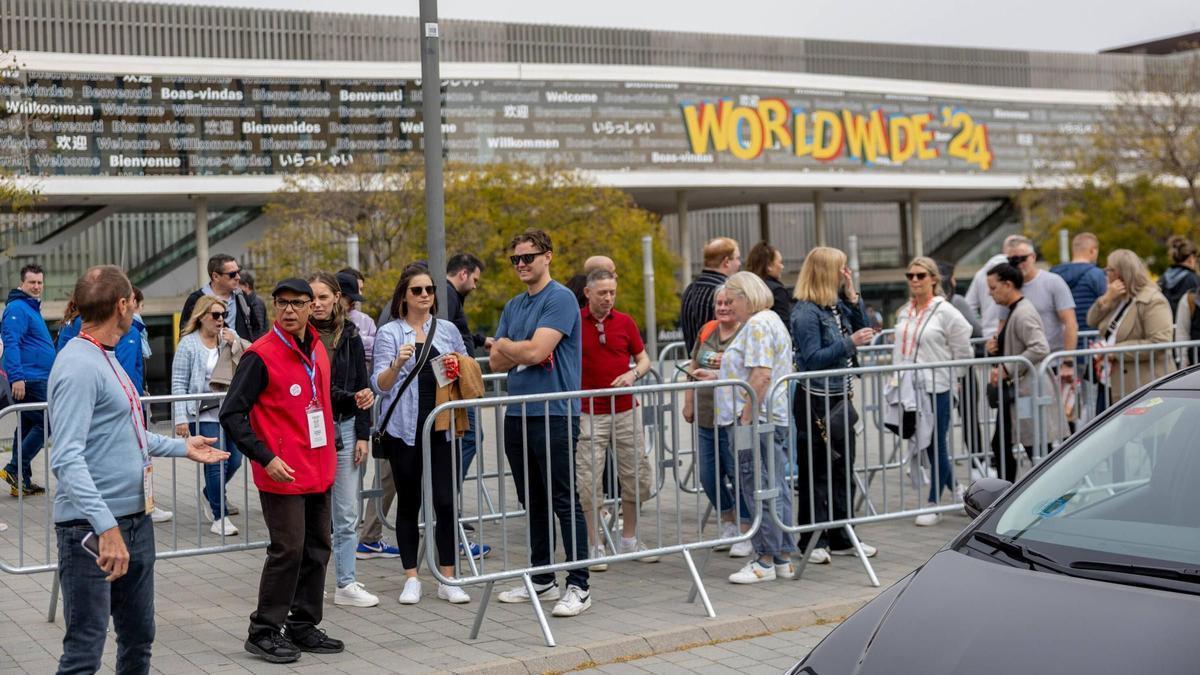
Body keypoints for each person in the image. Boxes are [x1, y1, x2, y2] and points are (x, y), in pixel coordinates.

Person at [50, 265, 227, 674]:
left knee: (138, 638)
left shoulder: (105, 355)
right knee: (84, 652)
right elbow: (66, 458)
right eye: (132, 300)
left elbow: (125, 434)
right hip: (92, 531)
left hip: (132, 521)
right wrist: (106, 527)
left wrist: (182, 447)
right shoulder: (78, 364)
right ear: (122, 305)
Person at [220, 278, 344, 664]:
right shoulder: (260, 355)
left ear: (312, 307)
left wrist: (353, 402)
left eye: (297, 303)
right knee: (287, 550)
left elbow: (319, 401)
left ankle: (303, 624)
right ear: (275, 307)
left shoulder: (319, 348)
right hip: (282, 471)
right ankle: (263, 631)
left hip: (319, 467)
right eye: (282, 303)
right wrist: (265, 457)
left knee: (318, 549)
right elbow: (231, 414)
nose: (289, 310)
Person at [488, 229, 592, 617]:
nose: (521, 264)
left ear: (547, 256)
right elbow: (498, 361)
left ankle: (579, 584)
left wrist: (511, 346)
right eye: (515, 259)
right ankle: (541, 576)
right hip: (517, 413)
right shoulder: (514, 304)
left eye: (528, 257)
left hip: (554, 413)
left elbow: (533, 351)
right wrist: (517, 350)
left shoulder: (561, 298)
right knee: (531, 501)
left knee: (564, 501)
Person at [373, 265, 471, 605]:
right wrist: (397, 365)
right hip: (404, 429)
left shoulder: (446, 330)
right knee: (409, 502)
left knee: (445, 502)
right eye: (417, 290)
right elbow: (380, 387)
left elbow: (466, 366)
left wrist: (459, 366)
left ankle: (447, 577)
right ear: (404, 295)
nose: (425, 295)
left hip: (441, 423)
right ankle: (411, 577)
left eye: (429, 289)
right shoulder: (389, 333)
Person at [695, 272, 796, 583]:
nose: (729, 306)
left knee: (758, 486)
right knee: (774, 484)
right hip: (767, 416)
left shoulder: (757, 325)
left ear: (745, 297)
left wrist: (746, 418)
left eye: (732, 299)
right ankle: (781, 556)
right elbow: (754, 371)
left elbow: (761, 375)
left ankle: (764, 557)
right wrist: (718, 377)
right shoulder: (770, 321)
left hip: (755, 419)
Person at [790, 247, 877, 564]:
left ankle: (843, 534)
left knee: (843, 466)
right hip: (814, 399)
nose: (844, 275)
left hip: (840, 396)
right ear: (827, 272)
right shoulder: (805, 313)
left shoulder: (836, 305)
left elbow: (863, 325)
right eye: (840, 270)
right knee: (816, 471)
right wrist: (849, 343)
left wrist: (853, 297)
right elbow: (812, 360)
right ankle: (814, 539)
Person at [306, 272, 380, 609]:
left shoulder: (349, 333)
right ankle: (310, 582)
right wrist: (353, 398)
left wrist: (363, 433)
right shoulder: (299, 337)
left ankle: (346, 582)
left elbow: (363, 386)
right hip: (309, 430)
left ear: (337, 297)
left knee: (348, 511)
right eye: (312, 298)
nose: (317, 304)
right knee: (312, 513)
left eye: (323, 297)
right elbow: (320, 392)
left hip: (347, 428)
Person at [575, 269, 656, 568]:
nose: (608, 298)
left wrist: (633, 373)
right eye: (602, 293)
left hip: (625, 408)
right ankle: (595, 546)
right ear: (588, 293)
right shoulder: (574, 322)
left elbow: (644, 358)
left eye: (612, 292)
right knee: (588, 478)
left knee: (635, 472)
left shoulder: (625, 322)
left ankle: (629, 540)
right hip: (588, 411)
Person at [892, 258, 973, 526]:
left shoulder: (944, 310)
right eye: (910, 275)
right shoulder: (904, 311)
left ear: (933, 279)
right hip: (909, 387)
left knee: (935, 441)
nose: (914, 280)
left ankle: (933, 501)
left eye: (920, 275)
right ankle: (958, 491)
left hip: (937, 385)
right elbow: (899, 349)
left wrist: (955, 375)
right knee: (922, 441)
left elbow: (963, 343)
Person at [682, 288, 752, 558]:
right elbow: (692, 365)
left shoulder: (745, 331)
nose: (722, 307)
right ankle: (728, 522)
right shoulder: (708, 330)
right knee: (708, 474)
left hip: (733, 414)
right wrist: (688, 401)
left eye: (728, 302)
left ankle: (746, 527)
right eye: (719, 303)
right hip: (705, 412)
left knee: (737, 472)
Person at [171, 295, 247, 536]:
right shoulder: (189, 344)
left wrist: (235, 342)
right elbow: (179, 381)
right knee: (215, 464)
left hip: (229, 410)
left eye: (223, 315)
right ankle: (219, 515)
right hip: (202, 413)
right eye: (215, 315)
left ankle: (208, 494)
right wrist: (181, 417)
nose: (220, 320)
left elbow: (250, 356)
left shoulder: (228, 339)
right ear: (202, 316)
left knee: (235, 459)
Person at [985, 263, 1062, 480]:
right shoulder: (1016, 311)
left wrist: (1007, 368)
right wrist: (995, 351)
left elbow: (1039, 347)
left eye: (993, 288)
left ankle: (1049, 495)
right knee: (1007, 444)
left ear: (1008, 285)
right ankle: (1006, 496)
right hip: (1019, 393)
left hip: (1027, 393)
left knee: (1035, 448)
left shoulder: (1023, 312)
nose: (990, 294)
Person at [1088, 250, 1175, 404]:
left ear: (1121, 273)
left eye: (1109, 269)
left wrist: (1115, 350)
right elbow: (1091, 320)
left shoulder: (1153, 300)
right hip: (1110, 381)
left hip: (1141, 385)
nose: (1106, 273)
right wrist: (1106, 298)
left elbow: (1160, 342)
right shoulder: (1117, 297)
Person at [1, 262, 54, 496]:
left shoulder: (30, 308)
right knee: (48, 421)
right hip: (30, 378)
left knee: (27, 426)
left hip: (37, 376)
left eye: (39, 282)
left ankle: (20, 481)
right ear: (21, 283)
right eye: (32, 282)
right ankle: (14, 468)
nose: (36, 286)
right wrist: (17, 377)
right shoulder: (18, 308)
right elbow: (11, 343)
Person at [680, 237, 741, 353]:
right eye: (737, 258)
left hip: (695, 363)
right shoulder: (725, 292)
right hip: (718, 364)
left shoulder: (689, 289)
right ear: (726, 262)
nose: (739, 263)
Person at [181, 254, 261, 342]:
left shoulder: (241, 297)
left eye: (238, 272)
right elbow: (185, 333)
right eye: (232, 274)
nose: (238, 277)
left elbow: (256, 329)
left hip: (241, 354)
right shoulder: (196, 300)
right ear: (215, 276)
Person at [1049, 232, 1107, 350]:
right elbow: (1106, 306)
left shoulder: (1053, 274)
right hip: (1089, 343)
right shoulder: (1096, 275)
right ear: (1093, 251)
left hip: (1060, 346)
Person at [965, 234, 1026, 339]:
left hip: (989, 335)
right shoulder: (1017, 273)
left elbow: (969, 306)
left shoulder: (981, 274)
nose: (990, 292)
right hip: (1014, 334)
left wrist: (983, 326)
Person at [746, 241, 793, 326]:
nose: (782, 267)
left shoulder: (745, 287)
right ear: (769, 266)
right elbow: (783, 326)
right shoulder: (777, 291)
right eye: (780, 262)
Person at [337, 268, 377, 362]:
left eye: (361, 289)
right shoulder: (324, 318)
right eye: (356, 289)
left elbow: (377, 349)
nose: (359, 293)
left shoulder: (366, 320)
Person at [1157, 235, 1199, 317]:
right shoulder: (1194, 279)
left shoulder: (1163, 278)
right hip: (1185, 326)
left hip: (1165, 324)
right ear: (1191, 258)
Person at [240, 271, 270, 340]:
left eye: (238, 286)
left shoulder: (256, 303)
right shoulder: (247, 300)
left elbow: (259, 329)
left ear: (246, 286)